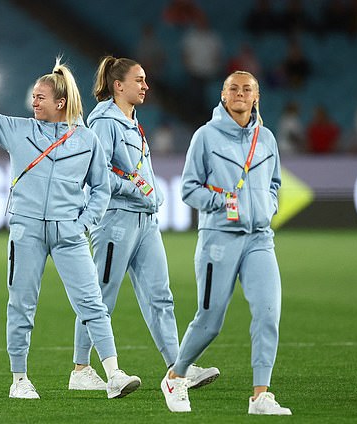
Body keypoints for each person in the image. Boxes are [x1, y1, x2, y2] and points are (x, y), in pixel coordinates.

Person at [0, 55, 141, 400]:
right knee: (22, 305)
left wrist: (83, 223)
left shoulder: (87, 140)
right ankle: (19, 379)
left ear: (61, 103)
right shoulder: (19, 130)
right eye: (34, 96)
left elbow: (102, 188)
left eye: (40, 97)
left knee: (92, 304)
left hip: (69, 235)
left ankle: (114, 373)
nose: (34, 102)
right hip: (26, 232)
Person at [68, 56, 219, 393]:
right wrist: (134, 188)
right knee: (100, 297)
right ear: (118, 85)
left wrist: (145, 195)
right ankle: (80, 369)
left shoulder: (131, 120)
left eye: (145, 79)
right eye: (139, 80)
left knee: (160, 297)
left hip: (145, 222)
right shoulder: (105, 122)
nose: (145, 86)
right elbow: (97, 173)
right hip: (116, 220)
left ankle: (179, 369)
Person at [160, 71, 292, 415]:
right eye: (233, 88)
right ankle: (176, 376)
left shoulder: (267, 138)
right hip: (219, 237)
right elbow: (189, 188)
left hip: (260, 238)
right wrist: (222, 203)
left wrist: (268, 205)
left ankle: (260, 395)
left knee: (268, 314)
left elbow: (275, 183)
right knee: (210, 319)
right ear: (223, 94)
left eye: (247, 89)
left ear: (256, 97)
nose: (240, 93)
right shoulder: (205, 136)